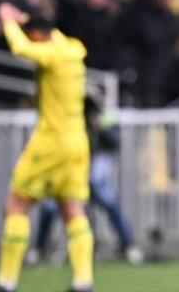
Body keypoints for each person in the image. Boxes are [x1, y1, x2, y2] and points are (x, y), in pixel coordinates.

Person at [0, 3, 93, 292]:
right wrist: (23, 18)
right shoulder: (72, 48)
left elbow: (21, 48)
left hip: (51, 141)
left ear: (39, 36)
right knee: (72, 208)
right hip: (78, 141)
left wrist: (8, 22)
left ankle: (5, 282)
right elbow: (42, 31)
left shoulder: (51, 54)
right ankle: (83, 282)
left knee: (17, 204)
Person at [28, 97, 143, 266]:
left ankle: (128, 245)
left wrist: (100, 129)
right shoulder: (64, 122)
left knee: (108, 200)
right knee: (49, 208)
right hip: (66, 180)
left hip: (89, 181)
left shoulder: (100, 121)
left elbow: (114, 142)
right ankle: (39, 249)